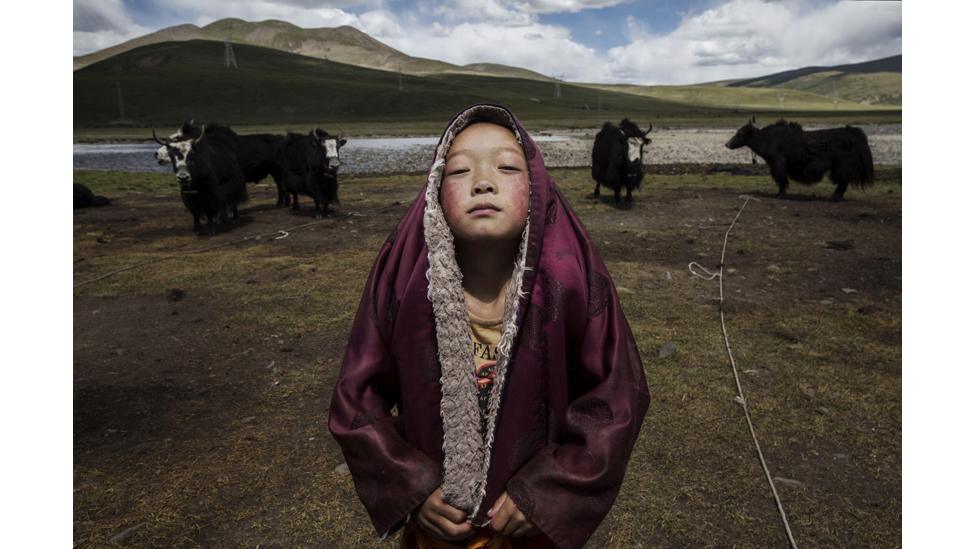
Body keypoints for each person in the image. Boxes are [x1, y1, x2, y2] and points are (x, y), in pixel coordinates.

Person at [329, 104, 650, 549]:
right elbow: (356, 396)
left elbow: (617, 394)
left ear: (538, 187)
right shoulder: (402, 283)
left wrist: (548, 492)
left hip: (527, 536)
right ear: (435, 189)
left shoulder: (572, 283)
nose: (483, 180)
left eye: (506, 166)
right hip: (435, 537)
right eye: (459, 171)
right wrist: (413, 488)